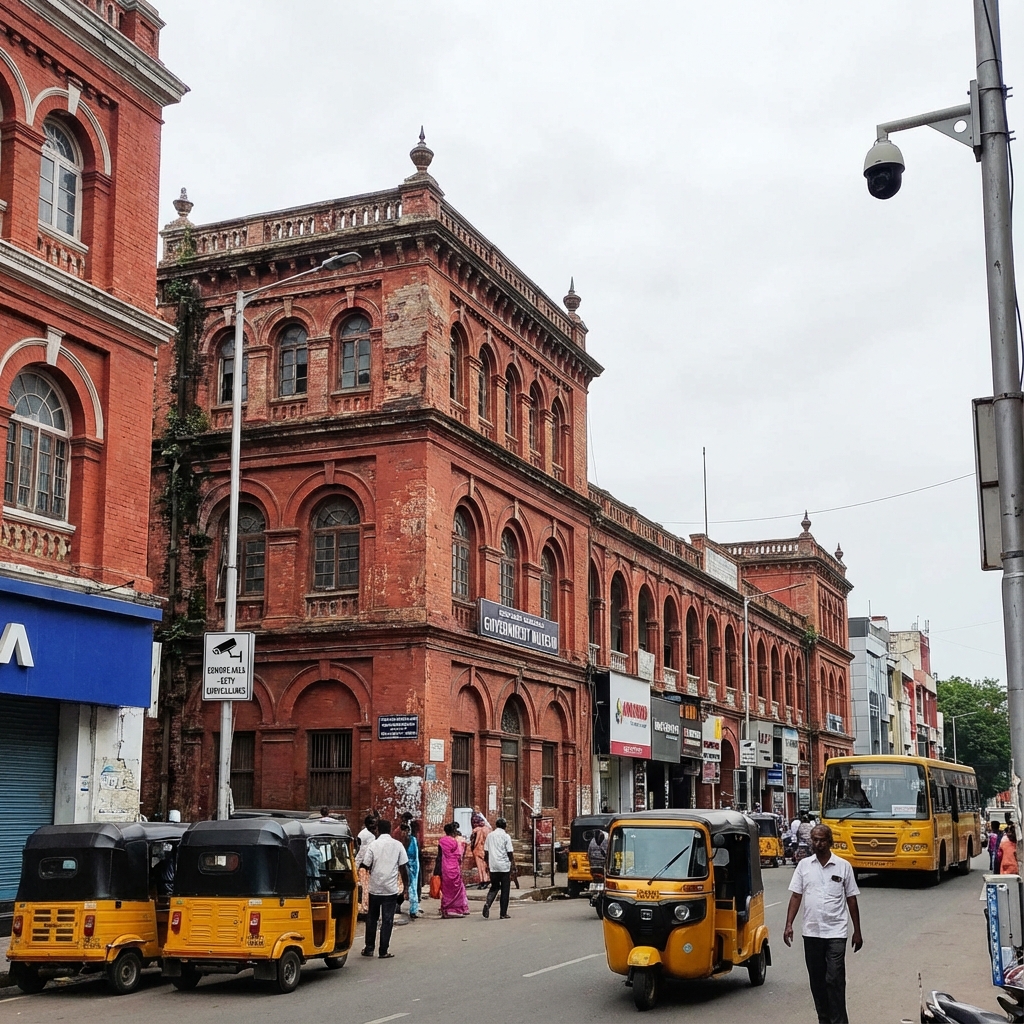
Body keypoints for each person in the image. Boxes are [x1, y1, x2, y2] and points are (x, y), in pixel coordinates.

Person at [784, 823, 863, 1024]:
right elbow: (796, 896)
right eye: (815, 840)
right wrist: (789, 925)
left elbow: (851, 899)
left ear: (830, 842)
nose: (818, 844)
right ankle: (824, 1019)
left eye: (822, 840)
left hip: (836, 932)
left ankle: (839, 1021)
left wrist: (857, 931)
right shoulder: (804, 866)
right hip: (811, 933)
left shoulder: (843, 866)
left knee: (834, 979)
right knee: (817, 981)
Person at [359, 819, 409, 960]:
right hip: (390, 889)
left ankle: (369, 948)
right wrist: (405, 888)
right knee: (387, 920)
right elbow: (403, 868)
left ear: (378, 830)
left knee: (372, 919)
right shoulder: (398, 845)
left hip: (375, 888)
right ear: (390, 829)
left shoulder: (373, 845)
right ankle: (383, 951)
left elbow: (365, 865)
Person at [482, 816, 516, 920]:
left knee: (494, 887)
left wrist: (487, 865)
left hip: (493, 866)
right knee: (505, 890)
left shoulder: (490, 836)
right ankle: (503, 913)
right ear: (505, 826)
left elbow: (486, 852)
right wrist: (513, 866)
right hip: (504, 866)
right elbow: (510, 853)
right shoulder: (506, 836)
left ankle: (488, 903)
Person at [434, 821, 469, 918]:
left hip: (445, 868)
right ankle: (454, 909)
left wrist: (436, 870)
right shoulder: (455, 842)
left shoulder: (442, 841)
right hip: (454, 867)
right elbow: (459, 856)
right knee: (456, 889)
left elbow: (439, 856)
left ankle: (446, 909)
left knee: (446, 889)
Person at [356, 815, 378, 916]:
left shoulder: (372, 834)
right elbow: (361, 852)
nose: (374, 826)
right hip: (364, 866)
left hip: (372, 867)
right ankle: (366, 909)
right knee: (366, 888)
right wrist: (357, 866)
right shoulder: (365, 835)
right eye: (372, 823)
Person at [470, 812, 492, 889]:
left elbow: (472, 842)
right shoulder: (488, 829)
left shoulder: (475, 830)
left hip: (477, 850)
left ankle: (483, 881)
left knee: (480, 867)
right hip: (486, 850)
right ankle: (487, 879)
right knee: (486, 866)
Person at [406, 820, 421, 919]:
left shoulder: (412, 840)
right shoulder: (412, 840)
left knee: (411, 887)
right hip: (411, 865)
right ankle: (413, 909)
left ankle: (414, 908)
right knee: (412, 887)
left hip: (411, 864)